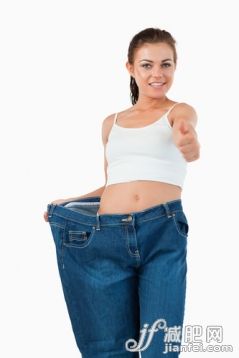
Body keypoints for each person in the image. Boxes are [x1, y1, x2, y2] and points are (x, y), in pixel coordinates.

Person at [44, 27, 200, 357]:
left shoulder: (179, 112)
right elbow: (113, 183)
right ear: (130, 67)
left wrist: (187, 138)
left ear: (175, 66)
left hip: (162, 233)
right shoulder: (111, 123)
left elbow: (186, 128)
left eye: (166, 64)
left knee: (160, 348)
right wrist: (71, 202)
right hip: (105, 236)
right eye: (147, 65)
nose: (157, 74)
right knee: (109, 349)